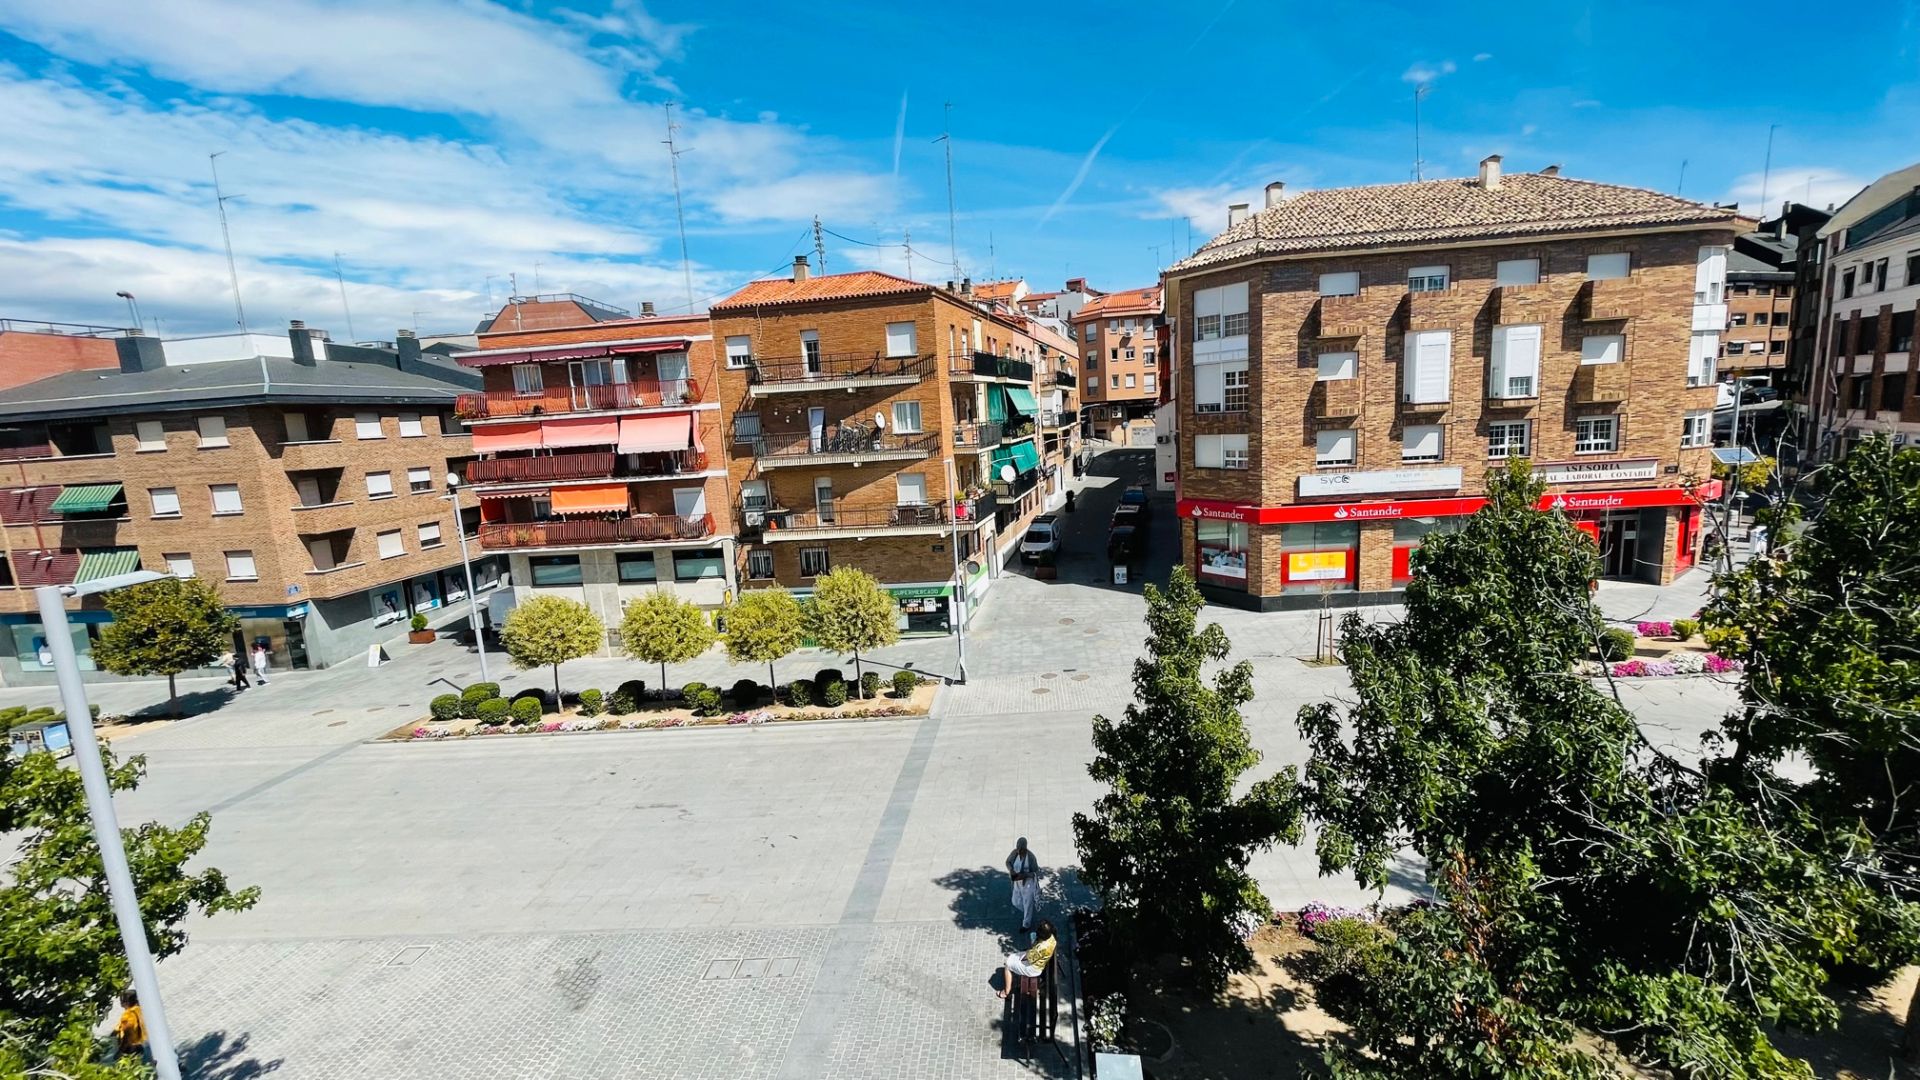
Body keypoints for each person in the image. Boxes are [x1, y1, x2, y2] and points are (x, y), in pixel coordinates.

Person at [998, 919, 1057, 999]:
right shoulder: (1052, 938)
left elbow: (1029, 958)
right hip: (1040, 961)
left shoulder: (1040, 947)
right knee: (1013, 957)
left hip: (1033, 968)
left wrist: (1023, 955)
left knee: (1008, 964)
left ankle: (1006, 992)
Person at [1006, 837, 1040, 933]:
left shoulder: (1031, 857)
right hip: (1017, 882)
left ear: (1025, 848)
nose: (1019, 851)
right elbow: (1008, 862)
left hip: (1028, 883)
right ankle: (1027, 910)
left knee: (1028, 902)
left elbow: (1036, 872)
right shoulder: (1014, 853)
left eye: (1021, 849)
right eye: (1018, 848)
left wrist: (1025, 875)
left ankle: (1026, 924)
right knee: (1015, 901)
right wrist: (1011, 870)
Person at [114, 989, 149, 1064]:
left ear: (126, 1002)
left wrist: (120, 1051)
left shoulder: (128, 1016)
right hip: (141, 1045)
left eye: (122, 1001)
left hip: (131, 1050)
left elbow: (127, 1036)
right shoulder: (140, 1010)